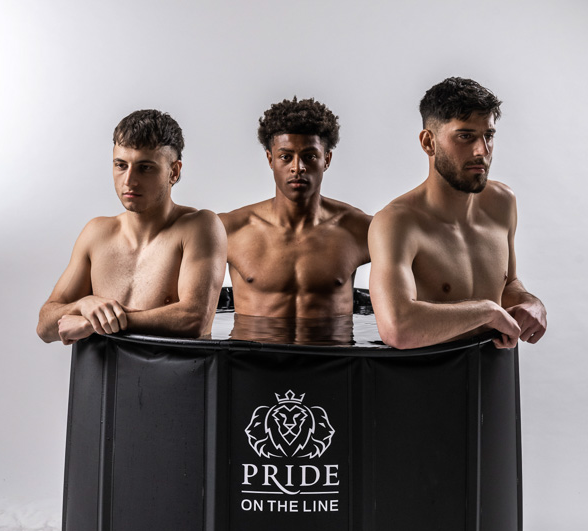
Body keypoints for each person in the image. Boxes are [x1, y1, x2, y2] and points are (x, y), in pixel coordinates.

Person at [369, 77, 547, 350]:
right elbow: (397, 329)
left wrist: (530, 302)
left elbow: (508, 284)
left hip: (496, 370)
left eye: (488, 136)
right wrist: (487, 312)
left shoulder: (502, 202)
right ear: (429, 142)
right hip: (434, 374)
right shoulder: (396, 223)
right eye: (465, 136)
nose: (482, 151)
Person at [37, 109, 227, 344]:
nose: (129, 180)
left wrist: (93, 323)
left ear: (174, 172)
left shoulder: (199, 227)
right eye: (121, 165)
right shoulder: (96, 233)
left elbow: (194, 320)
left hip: (171, 369)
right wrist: (82, 305)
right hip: (102, 369)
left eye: (145, 167)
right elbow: (45, 327)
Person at [220, 97, 371, 330]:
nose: (297, 167)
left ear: (326, 159)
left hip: (331, 353)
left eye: (310, 156)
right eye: (286, 156)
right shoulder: (229, 229)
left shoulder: (360, 229)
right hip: (253, 354)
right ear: (270, 159)